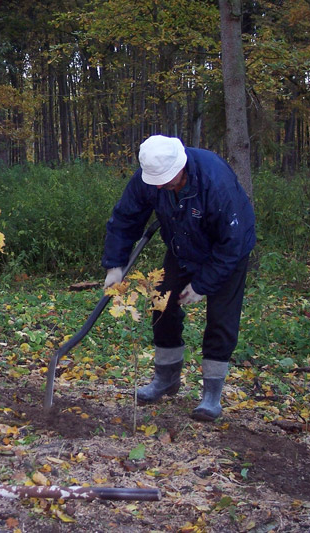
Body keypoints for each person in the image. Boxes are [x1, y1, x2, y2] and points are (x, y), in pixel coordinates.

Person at [102, 135, 256, 421]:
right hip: (182, 246)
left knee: (221, 318)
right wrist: (115, 265)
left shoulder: (214, 180)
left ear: (181, 165)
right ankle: (166, 378)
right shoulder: (148, 180)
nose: (160, 186)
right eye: (156, 181)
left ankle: (211, 395)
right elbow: (126, 218)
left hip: (227, 251)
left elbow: (231, 243)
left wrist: (202, 285)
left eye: (166, 180)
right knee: (162, 304)